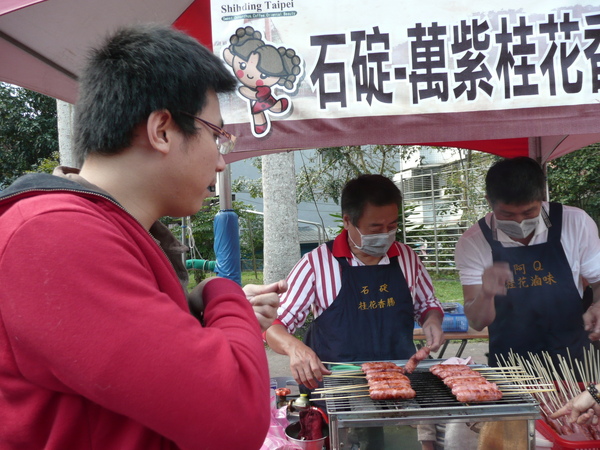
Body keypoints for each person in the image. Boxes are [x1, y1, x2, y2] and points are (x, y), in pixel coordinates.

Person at [0, 24, 285, 450]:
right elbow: (235, 415)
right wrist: (219, 292)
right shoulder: (53, 234)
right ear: (162, 130)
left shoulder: (110, 232)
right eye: (217, 135)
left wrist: (208, 312)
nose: (222, 162)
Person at [265, 174, 444, 448]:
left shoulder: (407, 257)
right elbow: (275, 326)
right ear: (348, 221)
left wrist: (433, 321)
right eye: (374, 228)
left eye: (392, 226)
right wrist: (294, 348)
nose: (385, 234)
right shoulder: (316, 264)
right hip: (338, 390)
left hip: (398, 384)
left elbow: (428, 304)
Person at [455, 156, 600, 367]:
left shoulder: (575, 222)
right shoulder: (473, 242)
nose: (519, 222)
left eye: (529, 212)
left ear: (542, 198)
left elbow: (597, 281)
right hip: (511, 362)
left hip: (574, 357)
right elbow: (477, 323)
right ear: (489, 201)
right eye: (507, 214)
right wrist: (486, 293)